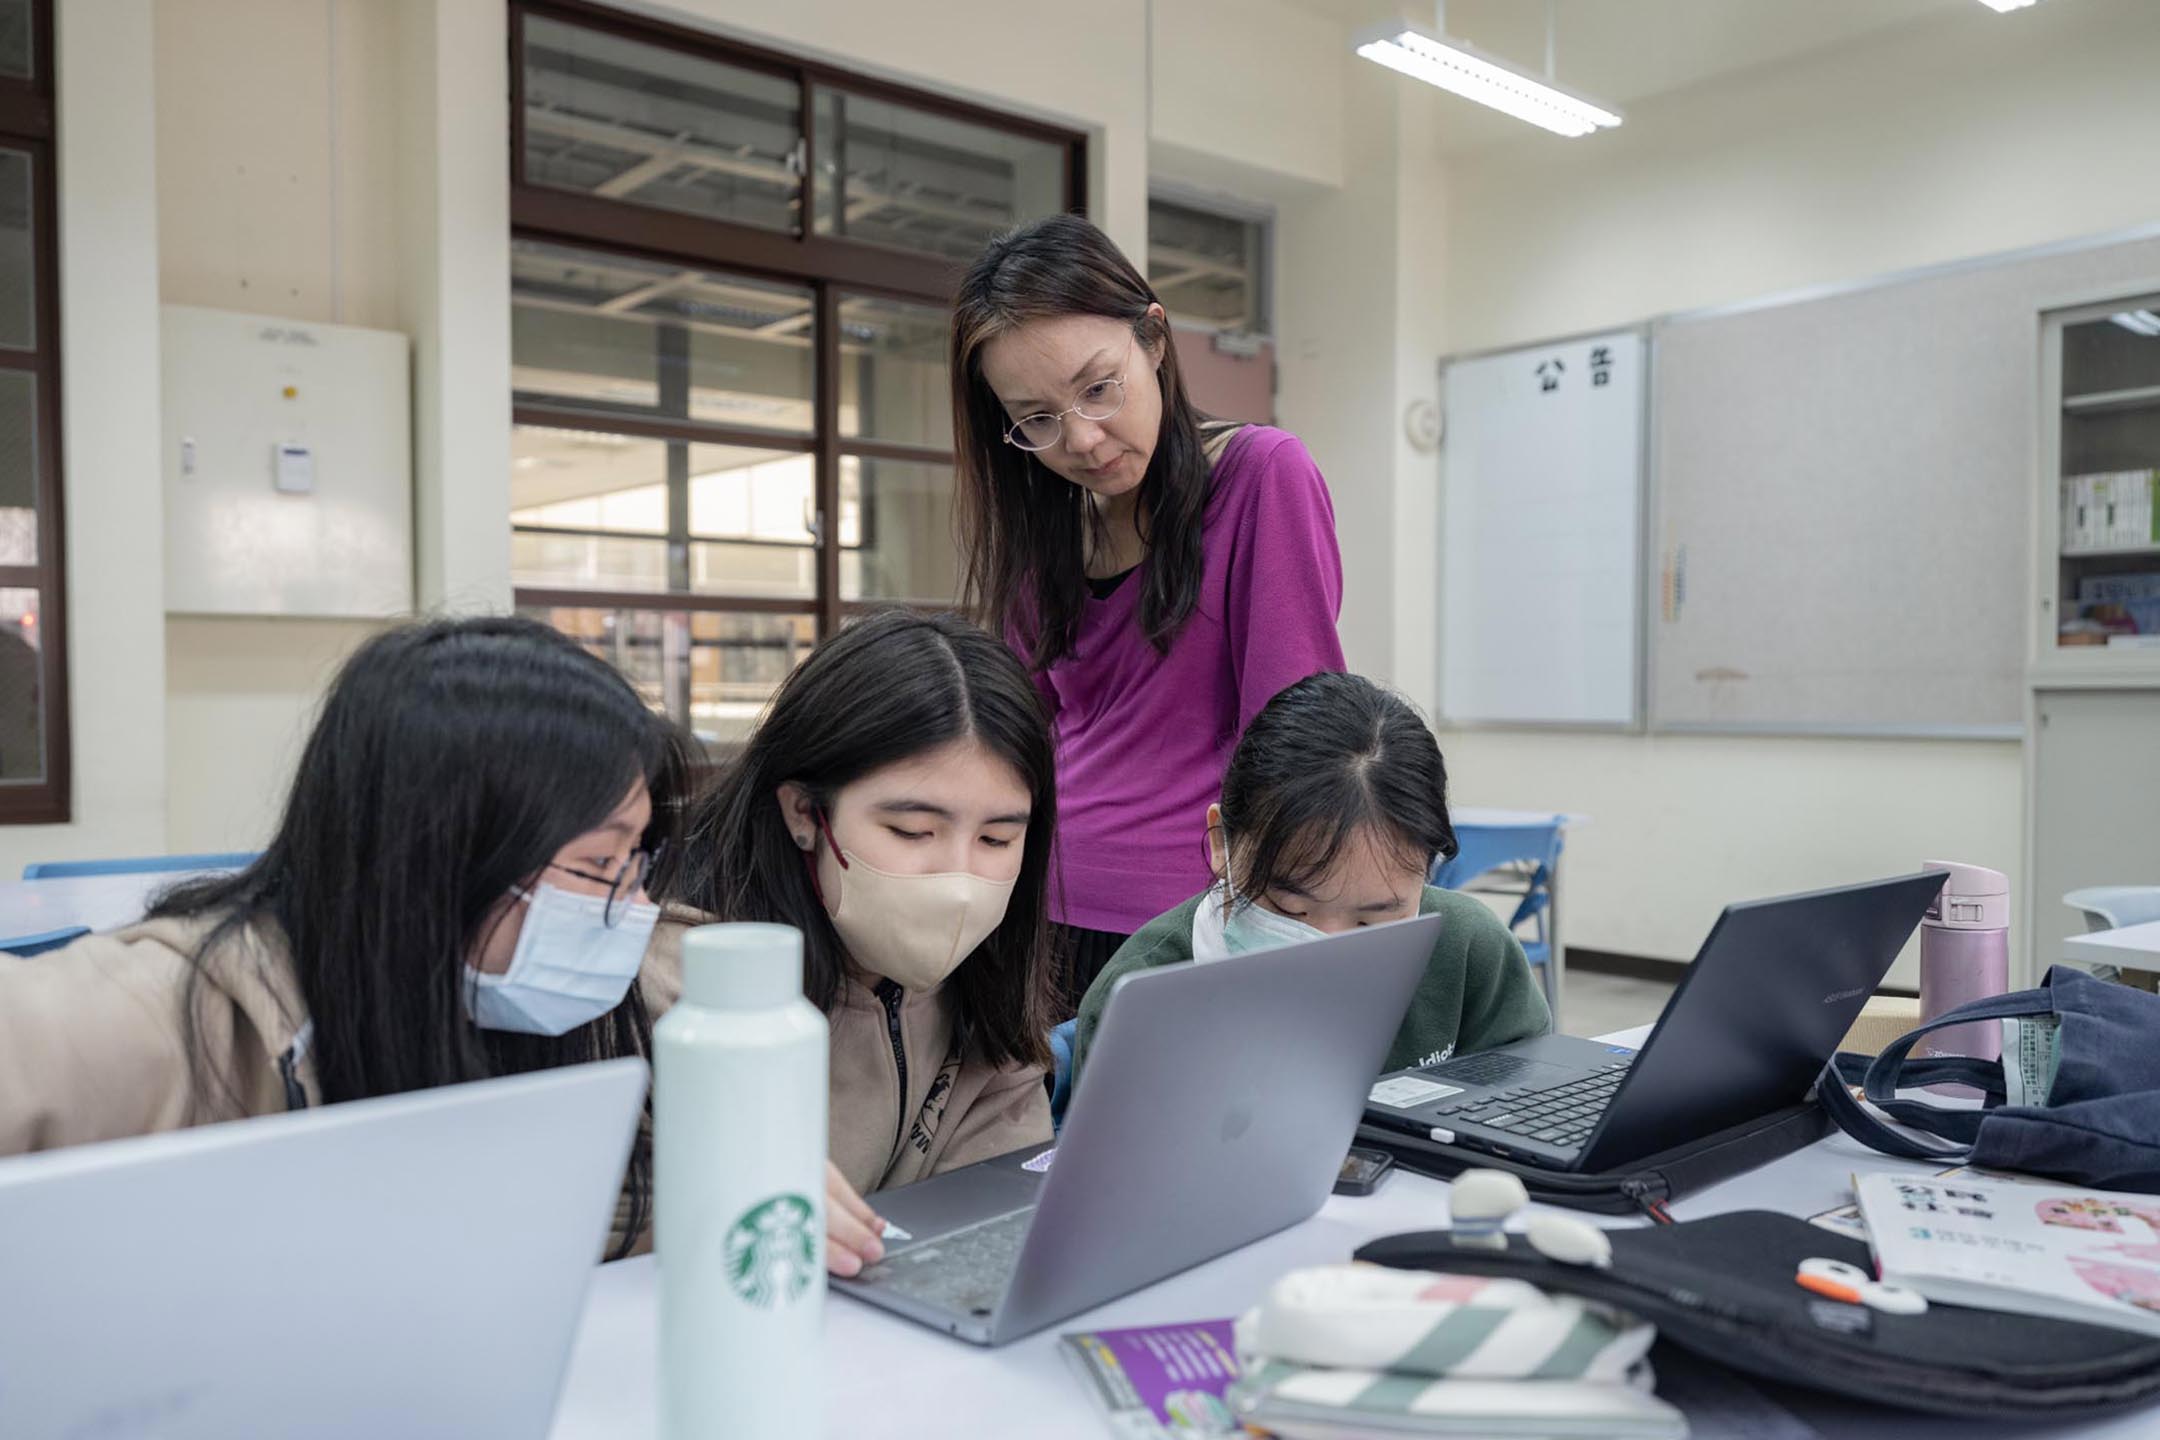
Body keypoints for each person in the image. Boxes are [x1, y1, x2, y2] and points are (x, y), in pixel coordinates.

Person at [0, 617, 693, 1258]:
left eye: (638, 862)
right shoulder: (169, 1015)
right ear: (442, 857)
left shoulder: (568, 1005)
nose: (629, 904)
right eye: (602, 864)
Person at [950, 213, 1346, 1007]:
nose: (1084, 440)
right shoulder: (1047, 528)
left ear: (1155, 340)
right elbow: (1026, 733)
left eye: (1099, 388)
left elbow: (1294, 732)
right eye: (1037, 420)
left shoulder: (1262, 475)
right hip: (1035, 913)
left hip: (1187, 925)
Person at [657, 610, 1060, 1278]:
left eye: (996, 839)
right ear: (803, 813)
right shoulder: (683, 987)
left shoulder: (987, 986)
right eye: (911, 831)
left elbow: (998, 1210)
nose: (958, 879)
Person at [1066, 671, 1551, 1102]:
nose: (1329, 947)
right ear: (1222, 843)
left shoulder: (1466, 951)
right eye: (1290, 909)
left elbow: (1528, 1105)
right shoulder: (1145, 993)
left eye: (1374, 920)